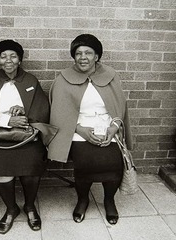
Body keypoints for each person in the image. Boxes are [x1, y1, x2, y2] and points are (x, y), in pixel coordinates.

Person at [48, 34, 133, 225]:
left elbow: (120, 106)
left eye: (88, 52)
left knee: (114, 163)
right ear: (73, 56)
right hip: (77, 128)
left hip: (108, 126)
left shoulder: (110, 76)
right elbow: (59, 112)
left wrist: (114, 126)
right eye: (78, 53)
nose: (83, 57)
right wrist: (80, 130)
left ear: (97, 56)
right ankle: (83, 199)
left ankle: (109, 200)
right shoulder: (63, 79)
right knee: (85, 162)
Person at [0, 40, 53, 234]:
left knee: (32, 166)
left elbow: (41, 108)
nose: (8, 60)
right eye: (3, 56)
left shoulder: (30, 81)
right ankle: (11, 209)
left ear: (20, 59)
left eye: (13, 56)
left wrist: (25, 114)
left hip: (27, 135)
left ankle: (29, 206)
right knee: (0, 168)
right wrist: (7, 120)